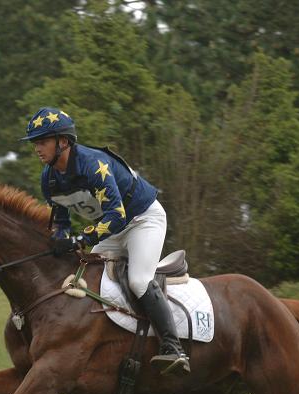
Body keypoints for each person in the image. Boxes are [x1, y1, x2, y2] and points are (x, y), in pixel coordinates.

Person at [20, 106, 190, 377]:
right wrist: (61, 241)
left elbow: (116, 214)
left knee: (138, 280)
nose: (37, 149)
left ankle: (174, 347)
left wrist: (80, 239)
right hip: (113, 230)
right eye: (34, 143)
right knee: (90, 280)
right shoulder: (50, 178)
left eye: (42, 142)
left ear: (62, 142)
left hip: (143, 220)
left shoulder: (92, 166)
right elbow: (62, 221)